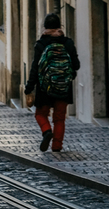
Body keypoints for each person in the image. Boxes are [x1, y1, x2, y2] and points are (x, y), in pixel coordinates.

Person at [24, 13, 80, 153]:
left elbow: (35, 68)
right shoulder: (68, 43)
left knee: (40, 114)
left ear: (45, 27)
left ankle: (47, 131)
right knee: (59, 119)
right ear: (60, 26)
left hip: (44, 88)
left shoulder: (41, 44)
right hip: (63, 87)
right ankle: (57, 146)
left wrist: (29, 87)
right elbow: (76, 65)